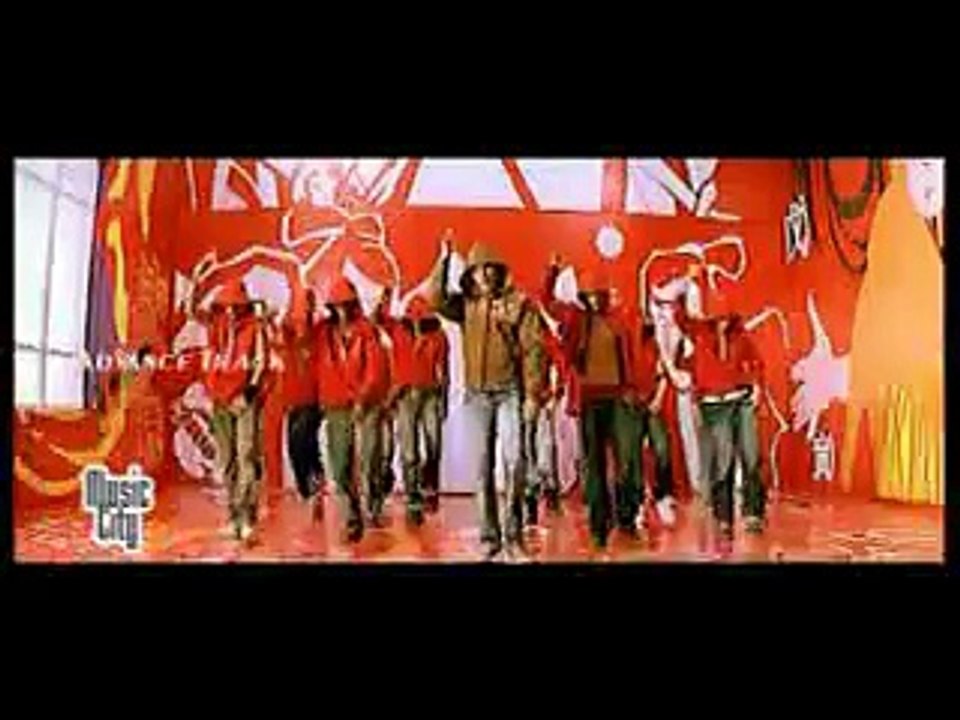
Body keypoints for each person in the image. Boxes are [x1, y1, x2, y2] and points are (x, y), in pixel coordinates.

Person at [432, 236, 542, 559]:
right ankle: (489, 537)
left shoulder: (518, 303)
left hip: (509, 392)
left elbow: (533, 350)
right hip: (477, 395)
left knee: (515, 462)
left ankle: (513, 536)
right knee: (482, 468)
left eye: (492, 269)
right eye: (480, 269)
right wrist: (443, 261)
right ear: (471, 274)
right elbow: (435, 299)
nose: (486, 275)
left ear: (500, 272)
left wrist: (532, 395)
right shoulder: (464, 306)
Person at [547, 259, 641, 551]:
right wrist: (551, 274)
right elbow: (548, 305)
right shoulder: (576, 319)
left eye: (597, 295)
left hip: (618, 397)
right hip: (588, 398)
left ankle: (626, 516)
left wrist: (632, 389)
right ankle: (600, 525)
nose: (594, 300)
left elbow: (630, 356)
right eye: (588, 295)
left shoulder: (618, 320)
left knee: (627, 460)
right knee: (594, 463)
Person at [675, 293, 766, 540]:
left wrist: (756, 387)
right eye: (718, 318)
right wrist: (682, 294)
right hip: (715, 405)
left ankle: (753, 512)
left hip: (741, 400)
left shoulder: (741, 337)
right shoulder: (700, 333)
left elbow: (758, 364)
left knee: (751, 455)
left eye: (726, 318)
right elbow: (681, 320)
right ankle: (724, 517)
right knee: (724, 461)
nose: (722, 323)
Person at [313, 277, 391, 543]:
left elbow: (376, 368)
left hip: (367, 403)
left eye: (346, 304)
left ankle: (373, 503)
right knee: (340, 464)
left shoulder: (367, 331)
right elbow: (299, 332)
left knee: (370, 459)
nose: (341, 310)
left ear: (353, 304)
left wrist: (362, 399)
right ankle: (352, 515)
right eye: (336, 305)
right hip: (336, 404)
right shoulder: (323, 332)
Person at [207, 279, 271, 544]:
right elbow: (211, 359)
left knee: (247, 456)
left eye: (235, 306)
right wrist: (215, 392)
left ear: (244, 305)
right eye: (227, 305)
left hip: (244, 401)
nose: (231, 310)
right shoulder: (217, 327)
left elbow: (261, 363)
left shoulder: (256, 328)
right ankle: (233, 516)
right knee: (228, 460)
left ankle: (247, 516)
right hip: (220, 401)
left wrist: (248, 394)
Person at [392, 294, 449, 524]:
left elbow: (444, 370)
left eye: (421, 319)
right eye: (413, 319)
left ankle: (430, 486)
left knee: (434, 444)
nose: (417, 323)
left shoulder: (439, 335)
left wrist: (443, 401)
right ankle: (412, 496)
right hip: (405, 395)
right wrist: (392, 396)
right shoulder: (398, 333)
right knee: (409, 450)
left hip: (430, 394)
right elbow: (391, 361)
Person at [282, 288, 324, 518]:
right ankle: (310, 485)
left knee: (303, 442)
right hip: (293, 401)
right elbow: (283, 325)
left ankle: (313, 485)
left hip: (313, 400)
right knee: (297, 447)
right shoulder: (289, 337)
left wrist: (310, 305)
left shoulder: (318, 336)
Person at [635, 321, 677, 528]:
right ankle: (638, 503)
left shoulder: (652, 345)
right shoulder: (623, 342)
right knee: (632, 454)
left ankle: (663, 495)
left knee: (661, 447)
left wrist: (658, 399)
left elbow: (662, 376)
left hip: (651, 403)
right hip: (630, 405)